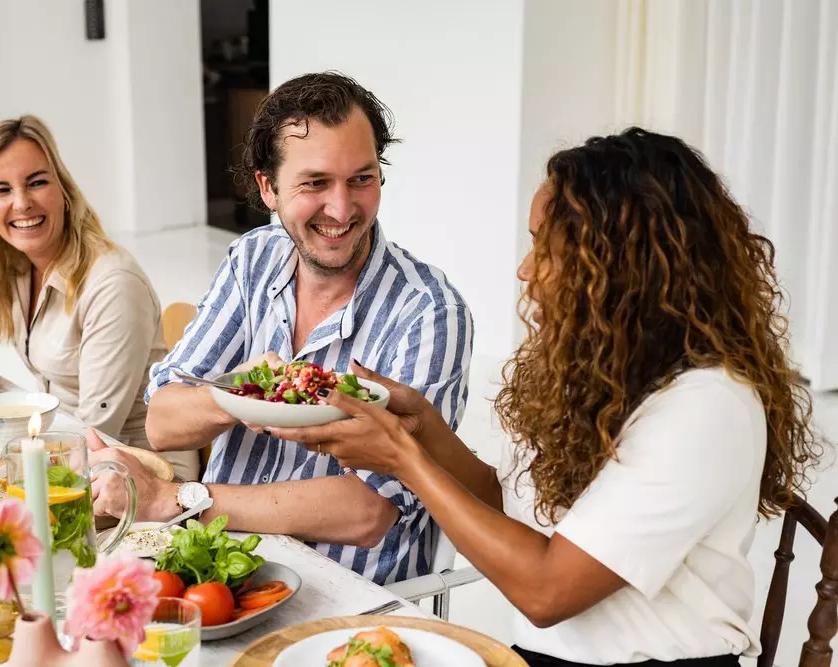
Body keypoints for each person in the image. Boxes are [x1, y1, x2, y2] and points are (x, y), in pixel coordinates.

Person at [267, 128, 823, 666]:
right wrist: (421, 426)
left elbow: (546, 592)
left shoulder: (706, 407)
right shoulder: (605, 373)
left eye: (545, 246)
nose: (525, 270)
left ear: (621, 267)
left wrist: (404, 461)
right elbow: (503, 503)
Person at [88, 71, 473, 584]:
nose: (342, 209)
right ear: (268, 188)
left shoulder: (429, 312)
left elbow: (368, 512)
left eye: (362, 178)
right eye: (316, 183)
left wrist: (178, 500)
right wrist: (239, 394)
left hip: (345, 602)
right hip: (216, 574)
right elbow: (163, 422)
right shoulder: (254, 258)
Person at [0, 115, 199, 481]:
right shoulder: (15, 267)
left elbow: (95, 432)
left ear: (63, 189)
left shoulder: (112, 283)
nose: (22, 203)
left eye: (37, 182)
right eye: (1, 190)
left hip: (138, 472)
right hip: (66, 445)